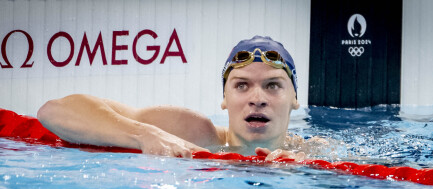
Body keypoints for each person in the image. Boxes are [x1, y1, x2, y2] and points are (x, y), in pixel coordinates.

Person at [38, 35, 314, 161]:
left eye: (272, 86)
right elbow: (54, 111)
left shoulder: (314, 153)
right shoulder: (191, 133)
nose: (257, 98)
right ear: (224, 99)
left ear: (294, 99)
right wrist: (143, 134)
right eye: (242, 86)